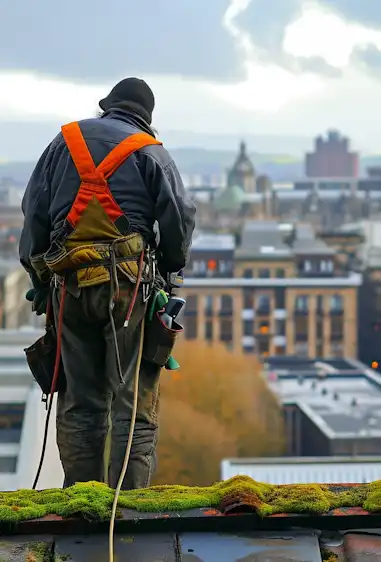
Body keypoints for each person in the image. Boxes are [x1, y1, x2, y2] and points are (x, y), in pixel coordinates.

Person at [19, 77, 196, 489]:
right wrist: (170, 275)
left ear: (107, 107)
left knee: (80, 401)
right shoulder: (151, 152)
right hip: (129, 290)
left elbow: (34, 215)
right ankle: (127, 511)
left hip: (69, 288)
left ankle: (84, 506)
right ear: (146, 119)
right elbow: (179, 220)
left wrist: (37, 275)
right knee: (133, 402)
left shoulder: (63, 144)